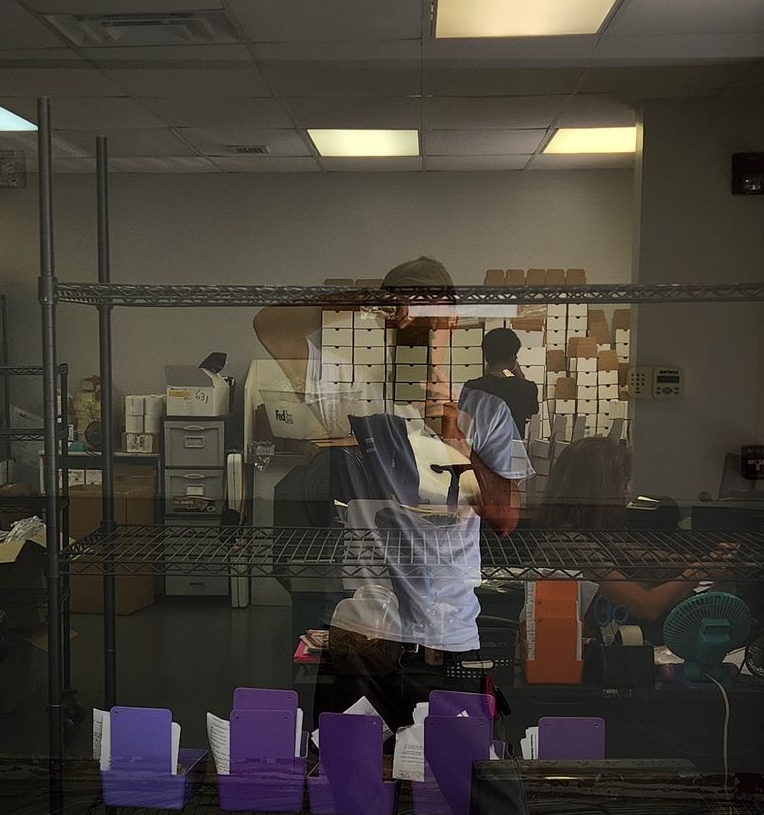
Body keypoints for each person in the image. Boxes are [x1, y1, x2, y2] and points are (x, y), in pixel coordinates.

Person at [253, 256, 534, 726]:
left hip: (445, 634)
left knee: (447, 768)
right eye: (406, 321)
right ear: (386, 326)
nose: (418, 333)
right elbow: (271, 328)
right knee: (348, 764)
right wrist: (365, 301)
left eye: (431, 322)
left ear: (451, 325)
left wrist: (456, 440)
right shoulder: (353, 391)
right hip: (363, 632)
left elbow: (505, 519)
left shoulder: (485, 411)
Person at [542, 434, 723, 625]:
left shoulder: (589, 533)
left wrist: (705, 561)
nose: (628, 489)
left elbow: (640, 559)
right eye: (621, 481)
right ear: (596, 487)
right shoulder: (565, 544)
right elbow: (646, 606)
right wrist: (698, 572)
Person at [459, 326, 540, 437]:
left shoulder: (471, 387)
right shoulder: (527, 388)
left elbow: (463, 422)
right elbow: (531, 412)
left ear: (486, 356)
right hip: (513, 447)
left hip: (480, 447)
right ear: (513, 357)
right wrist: (521, 376)